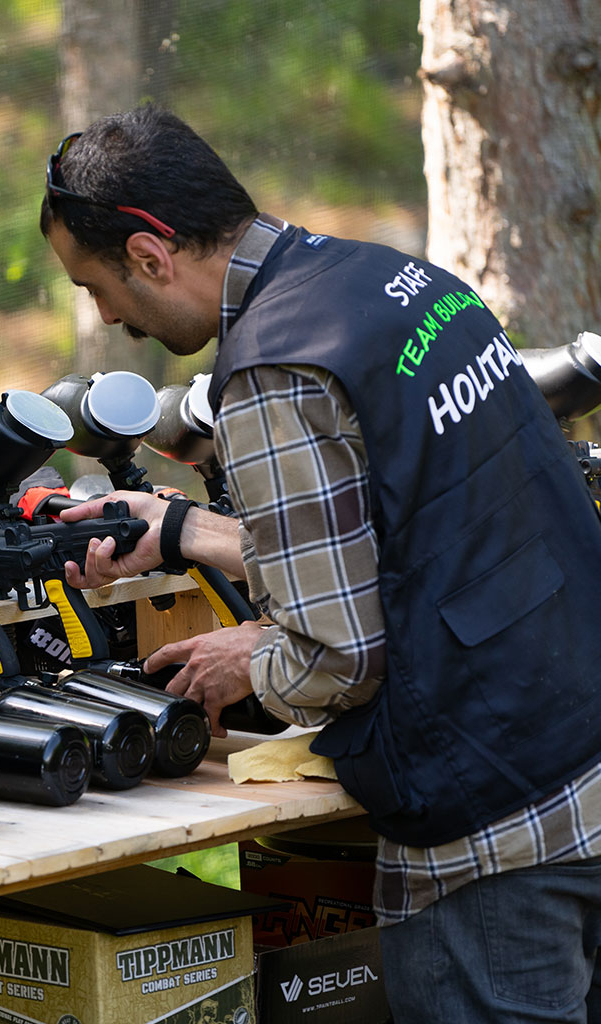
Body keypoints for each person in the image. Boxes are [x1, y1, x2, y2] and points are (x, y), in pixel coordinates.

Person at [39, 103, 601, 1022]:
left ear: (149, 253)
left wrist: (250, 659)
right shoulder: (402, 283)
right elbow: (422, 534)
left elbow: (339, 660)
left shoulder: (272, 371)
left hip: (498, 829)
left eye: (95, 285)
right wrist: (185, 530)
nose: (105, 314)